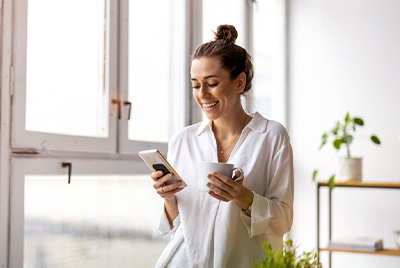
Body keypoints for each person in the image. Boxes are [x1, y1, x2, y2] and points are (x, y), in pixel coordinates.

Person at [150, 24, 294, 268]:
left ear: (239, 83)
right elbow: (176, 226)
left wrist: (243, 196)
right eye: (196, 85)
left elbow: (283, 222)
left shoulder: (271, 136)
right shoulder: (182, 141)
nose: (202, 94)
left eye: (212, 83)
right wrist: (168, 198)